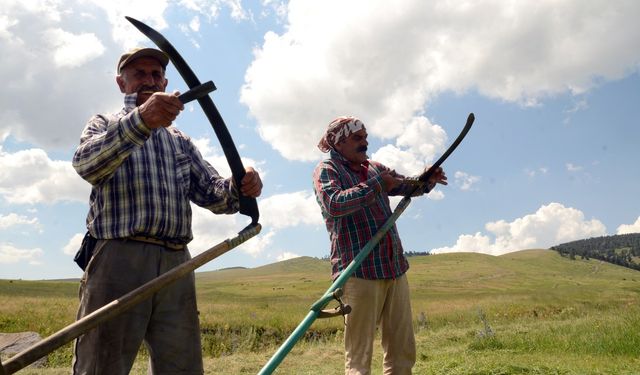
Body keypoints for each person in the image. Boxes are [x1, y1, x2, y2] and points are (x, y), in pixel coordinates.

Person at [71, 47, 262, 374]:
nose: (149, 79)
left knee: (181, 365)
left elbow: (211, 193)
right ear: (122, 83)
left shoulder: (180, 140)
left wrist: (238, 187)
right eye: (139, 74)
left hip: (176, 261)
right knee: (101, 364)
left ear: (166, 81)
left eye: (155, 74)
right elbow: (87, 164)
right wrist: (142, 120)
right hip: (119, 257)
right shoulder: (105, 123)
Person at [312, 116, 447, 375]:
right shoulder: (327, 170)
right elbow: (334, 204)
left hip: (394, 267)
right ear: (339, 143)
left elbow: (408, 186)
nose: (365, 142)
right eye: (357, 138)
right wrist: (377, 186)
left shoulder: (374, 167)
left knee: (402, 351)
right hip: (359, 271)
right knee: (359, 357)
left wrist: (427, 179)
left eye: (365, 136)